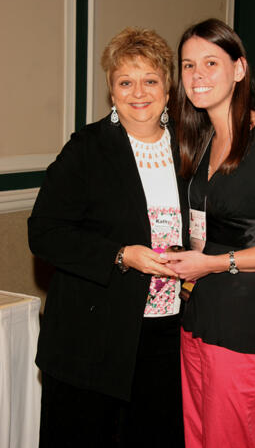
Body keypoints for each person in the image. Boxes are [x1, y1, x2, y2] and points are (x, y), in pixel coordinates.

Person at [28, 27, 188, 448]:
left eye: (150, 80)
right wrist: (120, 254)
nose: (139, 92)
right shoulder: (87, 149)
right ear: (111, 93)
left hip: (167, 334)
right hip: (92, 337)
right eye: (125, 82)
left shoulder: (191, 149)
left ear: (167, 89)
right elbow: (44, 232)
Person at [164, 18, 255, 448]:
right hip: (196, 314)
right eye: (188, 65)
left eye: (211, 62)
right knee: (197, 439)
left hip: (243, 322)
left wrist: (214, 263)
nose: (197, 75)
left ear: (239, 69)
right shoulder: (202, 140)